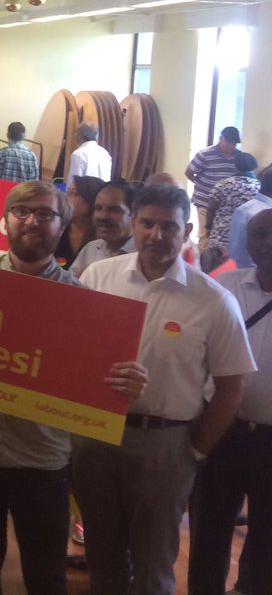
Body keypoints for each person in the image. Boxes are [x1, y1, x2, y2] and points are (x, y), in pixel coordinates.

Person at [0, 181, 147, 595]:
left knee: (45, 575)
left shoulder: (83, 304)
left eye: (45, 213)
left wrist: (123, 383)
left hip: (41, 459)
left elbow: (95, 382)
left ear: (63, 225)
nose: (31, 221)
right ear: (6, 219)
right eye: (21, 211)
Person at [75, 184, 256, 595]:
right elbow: (72, 348)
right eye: (147, 223)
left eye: (169, 226)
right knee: (102, 557)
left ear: (187, 230)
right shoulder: (98, 276)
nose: (157, 235)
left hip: (166, 445)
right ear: (133, 224)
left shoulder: (213, 300)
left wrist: (197, 450)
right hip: (95, 439)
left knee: (154, 564)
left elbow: (232, 385)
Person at [188, 209, 272, 595]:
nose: (268, 242)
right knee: (208, 530)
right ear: (247, 241)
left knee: (266, 541)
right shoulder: (225, 287)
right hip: (223, 430)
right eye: (259, 234)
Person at [199, 152, 259, 273]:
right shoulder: (257, 187)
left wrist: (209, 227)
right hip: (242, 240)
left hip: (219, 238)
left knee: (212, 276)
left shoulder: (223, 184)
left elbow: (211, 208)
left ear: (235, 165)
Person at [186, 126, 242, 249]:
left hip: (226, 205)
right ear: (221, 138)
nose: (231, 146)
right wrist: (200, 185)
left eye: (234, 144)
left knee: (222, 238)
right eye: (228, 142)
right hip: (205, 201)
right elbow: (189, 172)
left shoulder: (238, 156)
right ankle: (202, 260)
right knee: (205, 236)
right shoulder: (205, 154)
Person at [70, 181, 136, 278]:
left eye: (113, 209)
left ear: (134, 215)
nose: (102, 216)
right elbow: (69, 284)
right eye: (98, 208)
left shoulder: (143, 255)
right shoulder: (91, 249)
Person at [54, 175, 105, 269]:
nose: (66, 198)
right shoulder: (57, 228)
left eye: (74, 193)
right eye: (67, 192)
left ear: (93, 201)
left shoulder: (103, 237)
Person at [229, 165, 272, 269]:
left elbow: (234, 248)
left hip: (239, 269)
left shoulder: (245, 208)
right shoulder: (265, 215)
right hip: (258, 272)